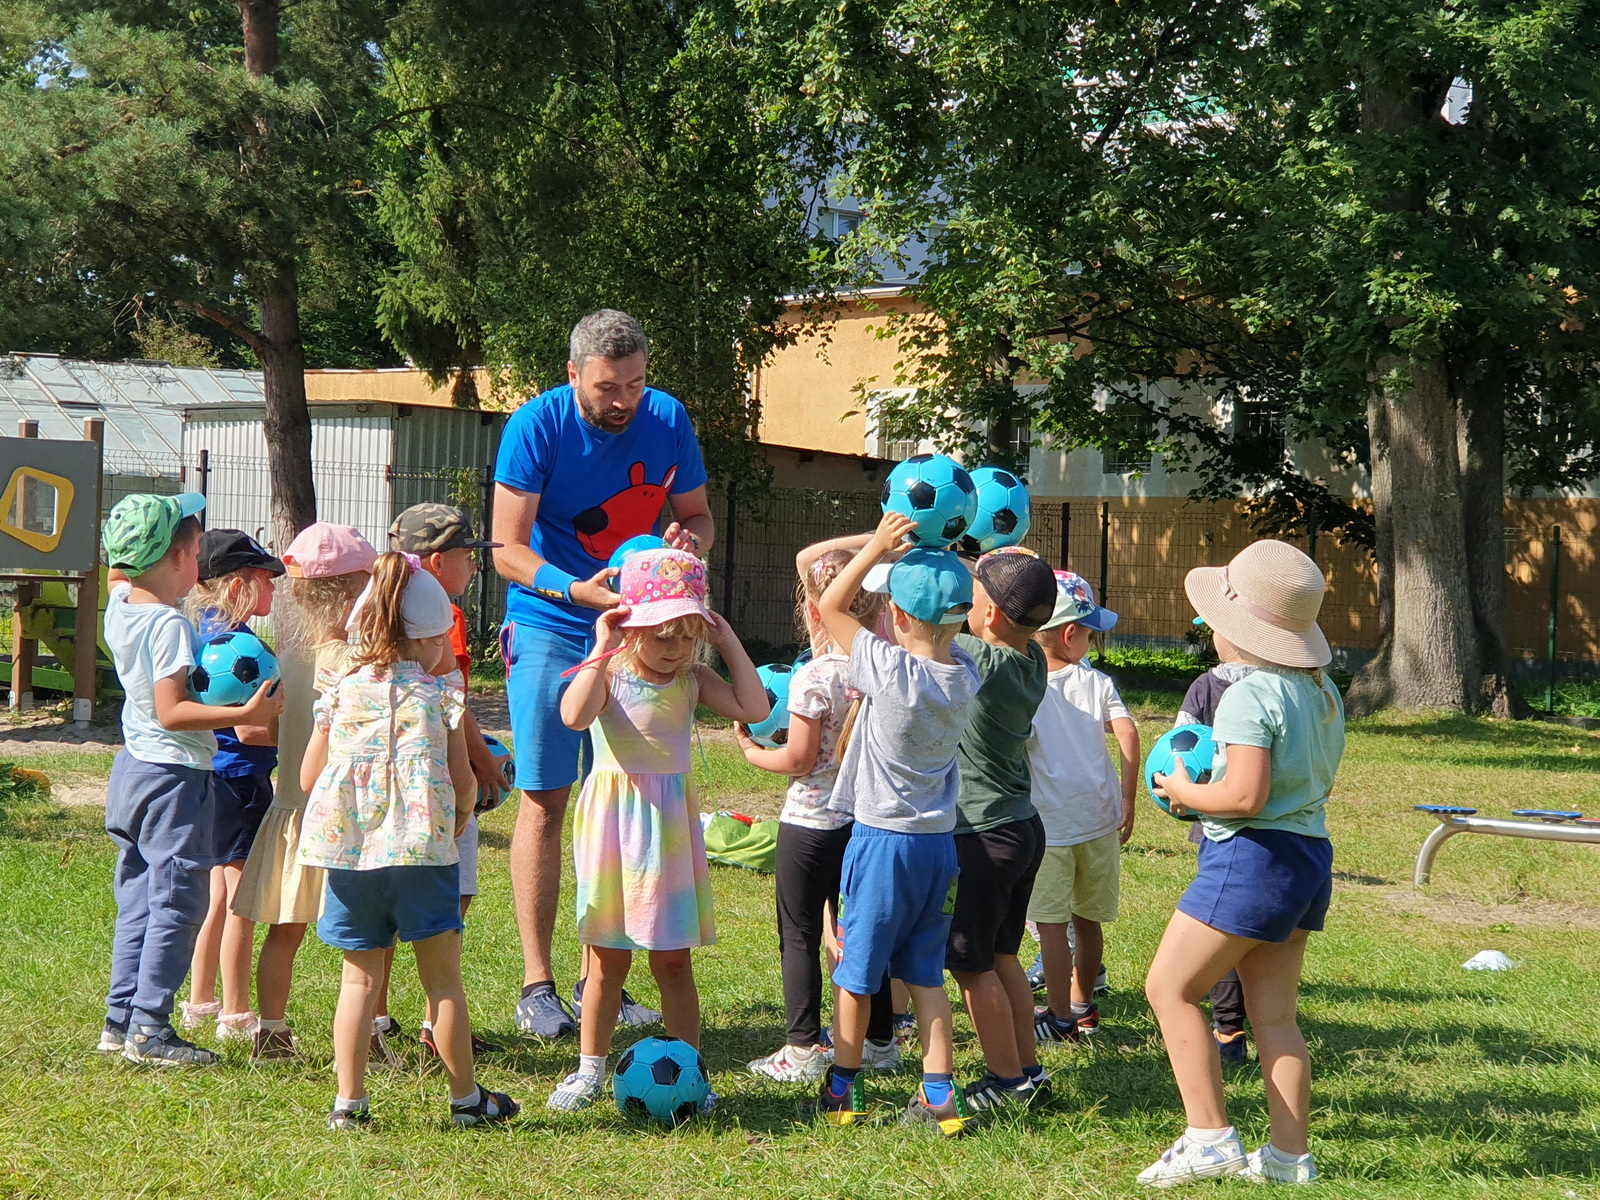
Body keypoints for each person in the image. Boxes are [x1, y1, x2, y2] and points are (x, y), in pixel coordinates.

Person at [491, 309, 714, 1038]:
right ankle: (538, 985)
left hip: (642, 632)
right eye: (608, 387)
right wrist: (574, 590)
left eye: (636, 384)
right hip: (554, 621)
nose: (624, 401)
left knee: (613, 798)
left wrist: (690, 540)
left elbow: (701, 519)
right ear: (573, 376)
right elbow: (506, 550)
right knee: (548, 798)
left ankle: (602, 983)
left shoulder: (669, 417)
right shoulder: (535, 426)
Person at [1141, 540, 1343, 1187]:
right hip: (1308, 858)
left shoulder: (1247, 696)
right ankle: (1288, 1160)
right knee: (1276, 1017)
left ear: (1237, 631)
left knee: (1169, 989)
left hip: (1250, 859)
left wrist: (1181, 791)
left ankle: (1208, 1139)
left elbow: (1243, 796)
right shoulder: (1322, 691)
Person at [299, 552, 519, 1130]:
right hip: (425, 856)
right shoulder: (440, 696)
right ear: (431, 641)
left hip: (352, 860)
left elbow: (306, 779)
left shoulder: (340, 691)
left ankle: (349, 1103)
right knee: (443, 981)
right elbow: (466, 783)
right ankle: (466, 1100)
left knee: (358, 980)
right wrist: (464, 814)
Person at [544, 549, 768, 1111]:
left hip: (668, 836)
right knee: (605, 962)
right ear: (630, 626)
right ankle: (589, 1071)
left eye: (685, 636)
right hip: (615, 833)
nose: (673, 649)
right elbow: (572, 716)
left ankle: (691, 1072)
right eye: (660, 635)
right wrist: (601, 646)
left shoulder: (693, 679)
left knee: (673, 961)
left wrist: (727, 640)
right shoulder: (611, 676)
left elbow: (756, 706)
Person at [97, 493, 285, 1066]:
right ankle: (151, 1030)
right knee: (178, 905)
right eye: (197, 551)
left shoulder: (122, 605)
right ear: (179, 560)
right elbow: (172, 712)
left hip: (129, 773)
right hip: (173, 778)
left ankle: (119, 1020)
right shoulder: (168, 627)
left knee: (137, 905)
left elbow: (116, 575)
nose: (202, 562)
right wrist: (246, 715)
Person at [813, 513, 980, 1136]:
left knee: (856, 973)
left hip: (882, 844)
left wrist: (878, 547)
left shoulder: (890, 669)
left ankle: (841, 1089)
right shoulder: (965, 675)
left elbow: (831, 606)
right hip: (939, 849)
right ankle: (940, 1098)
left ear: (899, 619)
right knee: (925, 974)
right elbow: (946, 630)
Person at [739, 548, 900, 1083]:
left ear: (813, 612)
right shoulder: (882, 670)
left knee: (802, 934)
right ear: (878, 612)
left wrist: (753, 753)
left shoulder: (813, 679)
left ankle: (803, 1048)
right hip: (865, 823)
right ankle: (880, 1042)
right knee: (864, 931)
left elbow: (799, 760)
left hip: (810, 825)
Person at [233, 522, 377, 1063]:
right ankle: (370, 1034)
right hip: (345, 818)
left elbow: (272, 732)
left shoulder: (285, 659)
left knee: (284, 931)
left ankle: (270, 1031)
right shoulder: (351, 662)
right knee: (367, 940)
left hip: (291, 809)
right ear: (352, 592)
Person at [389, 503, 510, 1058]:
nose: (475, 568)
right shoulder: (444, 617)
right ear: (437, 562)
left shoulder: (379, 607)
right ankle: (437, 1023)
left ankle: (379, 1017)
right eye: (469, 557)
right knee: (451, 899)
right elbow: (453, 700)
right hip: (441, 780)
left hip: (396, 785)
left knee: (385, 912)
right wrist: (483, 762)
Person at [179, 530, 286, 1043]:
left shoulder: (201, 629)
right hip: (243, 778)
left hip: (213, 777)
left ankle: (200, 1001)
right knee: (241, 901)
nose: (273, 587)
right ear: (239, 582)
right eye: (266, 577)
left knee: (219, 898)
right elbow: (251, 727)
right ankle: (237, 1016)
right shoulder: (240, 643)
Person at [1026, 571, 1137, 1045]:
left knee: (1051, 925)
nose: (1092, 641)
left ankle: (1057, 1015)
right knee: (1087, 922)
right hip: (1098, 820)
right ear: (1071, 634)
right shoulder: (1098, 682)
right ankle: (1082, 1006)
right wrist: (1128, 798)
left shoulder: (1025, 686)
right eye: (1091, 632)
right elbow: (1129, 734)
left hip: (1047, 825)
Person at [1178, 617, 1260, 1068]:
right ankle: (1261, 1024)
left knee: (1220, 929)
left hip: (1218, 824)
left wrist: (1182, 793)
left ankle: (1229, 1031)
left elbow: (1177, 749)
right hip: (1279, 832)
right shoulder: (1293, 687)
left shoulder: (1205, 687)